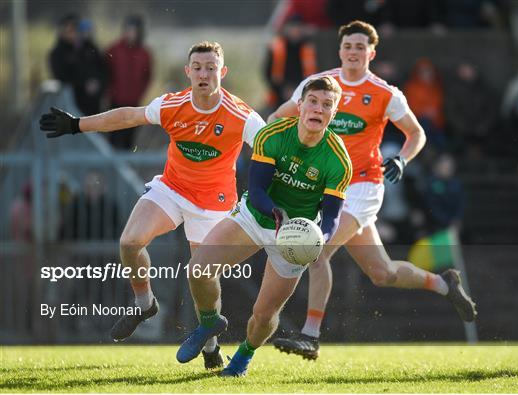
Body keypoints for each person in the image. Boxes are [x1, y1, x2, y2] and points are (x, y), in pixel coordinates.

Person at [39, 41, 266, 369]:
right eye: (198, 68)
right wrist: (77, 125)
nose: (204, 74)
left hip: (214, 203)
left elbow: (273, 146)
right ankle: (145, 303)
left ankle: (210, 344)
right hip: (172, 189)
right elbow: (128, 116)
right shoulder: (172, 105)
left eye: (211, 68)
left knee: (202, 274)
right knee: (130, 243)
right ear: (188, 72)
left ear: (223, 72)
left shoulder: (241, 115)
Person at [267, 20, 477, 360]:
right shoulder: (318, 85)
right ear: (340, 50)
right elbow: (278, 116)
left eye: (360, 47)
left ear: (372, 53)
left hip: (363, 186)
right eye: (348, 46)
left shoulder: (385, 92)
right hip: (325, 187)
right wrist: (270, 150)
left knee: (317, 252)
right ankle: (444, 284)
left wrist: (403, 160)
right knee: (383, 273)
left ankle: (310, 336)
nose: (353, 52)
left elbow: (416, 134)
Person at [176, 76, 352, 377]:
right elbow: (256, 189)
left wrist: (317, 240)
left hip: (296, 236)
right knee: (198, 270)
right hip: (256, 216)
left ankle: (243, 357)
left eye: (327, 105)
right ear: (300, 105)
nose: (318, 108)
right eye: (313, 101)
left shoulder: (338, 160)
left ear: (333, 114)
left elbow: (332, 217)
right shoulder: (272, 134)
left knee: (263, 314)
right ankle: (208, 321)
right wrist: (275, 213)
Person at [105, 15, 152, 150]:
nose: (130, 33)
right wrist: (110, 91)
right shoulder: (113, 49)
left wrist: (139, 93)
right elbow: (105, 73)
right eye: (128, 29)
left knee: (129, 139)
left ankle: (125, 169)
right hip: (115, 101)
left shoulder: (145, 53)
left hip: (134, 103)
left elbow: (147, 76)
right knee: (113, 138)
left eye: (133, 30)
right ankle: (112, 169)